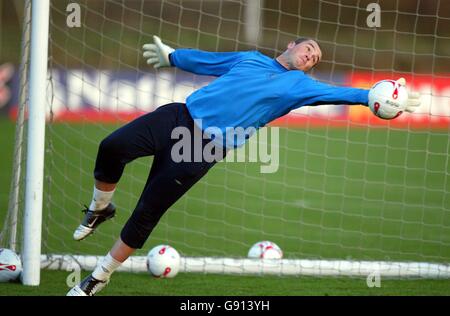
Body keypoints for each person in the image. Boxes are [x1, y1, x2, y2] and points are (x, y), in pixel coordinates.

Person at [67, 36, 421, 296]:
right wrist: (173, 56)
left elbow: (343, 94)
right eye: (308, 48)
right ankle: (100, 207)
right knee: (112, 146)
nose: (311, 56)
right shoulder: (250, 59)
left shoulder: (300, 86)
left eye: (315, 58)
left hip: (203, 149)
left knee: (147, 212)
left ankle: (98, 277)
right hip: (178, 116)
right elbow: (210, 61)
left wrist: (378, 95)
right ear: (290, 45)